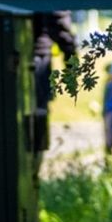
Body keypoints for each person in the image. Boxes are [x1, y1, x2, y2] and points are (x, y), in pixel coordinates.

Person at [31, 10, 78, 156]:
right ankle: (35, 160)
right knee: (39, 111)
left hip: (32, 51)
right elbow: (61, 28)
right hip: (39, 57)